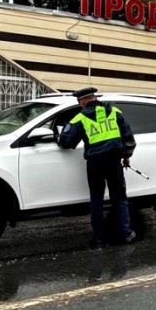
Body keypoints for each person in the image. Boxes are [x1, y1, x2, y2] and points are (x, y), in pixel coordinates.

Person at [57, 86, 137, 247]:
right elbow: (128, 136)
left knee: (97, 200)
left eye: (80, 102)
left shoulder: (80, 118)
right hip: (114, 162)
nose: (81, 105)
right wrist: (126, 156)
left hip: (96, 164)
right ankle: (125, 234)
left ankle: (99, 238)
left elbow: (66, 142)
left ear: (84, 101)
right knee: (120, 198)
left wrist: (59, 135)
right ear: (95, 98)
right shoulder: (114, 112)